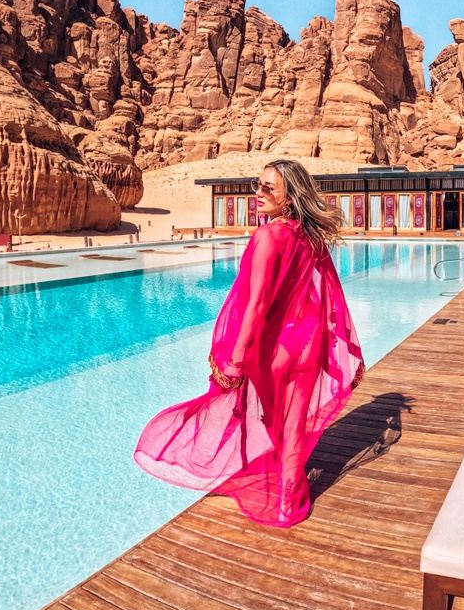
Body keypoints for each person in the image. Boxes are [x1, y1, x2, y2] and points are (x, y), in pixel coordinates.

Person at [135, 159, 364, 528]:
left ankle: (286, 494)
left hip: (274, 349)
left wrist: (236, 361)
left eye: (268, 188)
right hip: (307, 343)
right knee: (293, 426)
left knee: (277, 424)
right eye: (258, 185)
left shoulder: (268, 236)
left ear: (289, 197)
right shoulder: (311, 238)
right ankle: (291, 500)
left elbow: (256, 304)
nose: (258, 193)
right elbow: (324, 296)